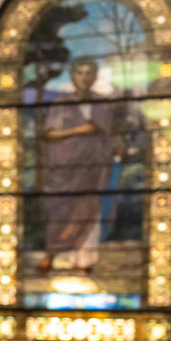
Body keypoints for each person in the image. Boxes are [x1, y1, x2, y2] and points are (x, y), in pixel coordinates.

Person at [38, 57, 115, 272]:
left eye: (89, 72)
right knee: (61, 211)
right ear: (72, 76)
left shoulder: (102, 104)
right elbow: (51, 134)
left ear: (95, 76)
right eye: (79, 72)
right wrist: (79, 130)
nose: (84, 77)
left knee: (89, 210)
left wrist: (113, 147)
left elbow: (110, 134)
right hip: (67, 167)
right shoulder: (62, 102)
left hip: (94, 166)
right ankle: (51, 254)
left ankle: (84, 261)